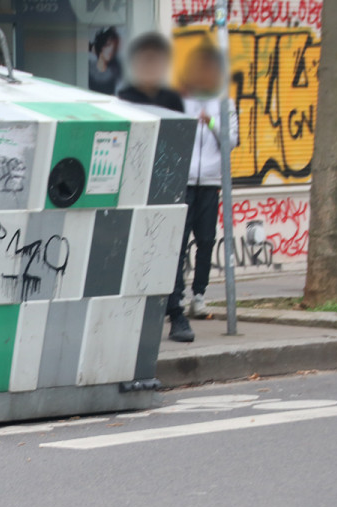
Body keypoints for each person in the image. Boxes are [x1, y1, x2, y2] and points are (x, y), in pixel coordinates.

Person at [117, 33, 193, 343]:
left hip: (168, 182)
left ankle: (175, 312)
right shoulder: (125, 96)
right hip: (137, 184)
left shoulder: (172, 99)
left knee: (172, 250)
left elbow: (179, 141)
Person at [179, 44, 238, 330]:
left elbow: (232, 140)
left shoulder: (224, 103)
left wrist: (211, 120)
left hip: (211, 182)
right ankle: (174, 297)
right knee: (177, 242)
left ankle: (198, 296)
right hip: (185, 182)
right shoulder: (181, 100)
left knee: (205, 241)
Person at [88, 27, 122, 95]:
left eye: (113, 47)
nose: (111, 50)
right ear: (100, 46)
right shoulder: (89, 66)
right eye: (108, 45)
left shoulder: (117, 68)